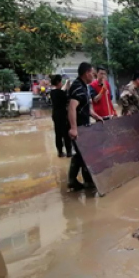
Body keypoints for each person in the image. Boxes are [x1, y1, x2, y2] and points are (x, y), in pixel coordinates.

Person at [67, 62, 104, 190]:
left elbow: (85, 107)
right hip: (79, 127)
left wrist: (95, 116)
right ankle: (86, 182)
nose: (93, 76)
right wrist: (73, 128)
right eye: (92, 73)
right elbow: (72, 107)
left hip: (84, 126)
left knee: (81, 154)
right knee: (86, 153)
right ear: (86, 73)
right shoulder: (77, 87)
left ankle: (74, 181)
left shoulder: (84, 87)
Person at [50, 75, 73, 158]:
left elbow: (62, 90)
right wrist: (67, 83)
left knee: (58, 134)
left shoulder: (52, 92)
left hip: (55, 115)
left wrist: (66, 83)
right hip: (63, 115)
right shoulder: (61, 93)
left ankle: (60, 152)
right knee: (66, 134)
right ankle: (69, 152)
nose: (61, 83)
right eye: (60, 82)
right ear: (58, 82)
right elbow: (68, 97)